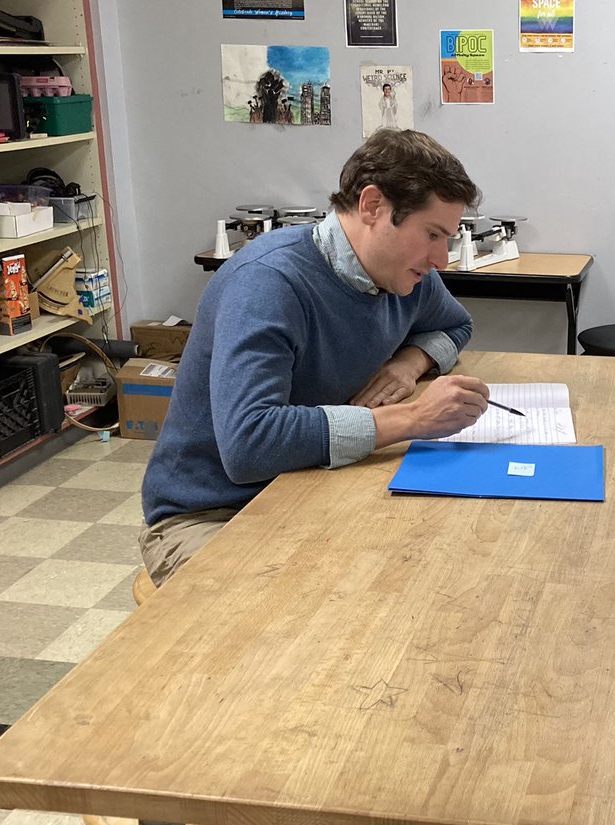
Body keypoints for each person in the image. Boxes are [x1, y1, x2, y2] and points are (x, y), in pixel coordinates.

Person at [139, 129, 487, 586]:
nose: (442, 258)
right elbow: (249, 444)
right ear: (373, 206)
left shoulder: (403, 276)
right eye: (432, 234)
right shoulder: (268, 282)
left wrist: (410, 363)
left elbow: (455, 325)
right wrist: (414, 418)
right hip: (214, 512)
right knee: (292, 624)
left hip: (311, 482)